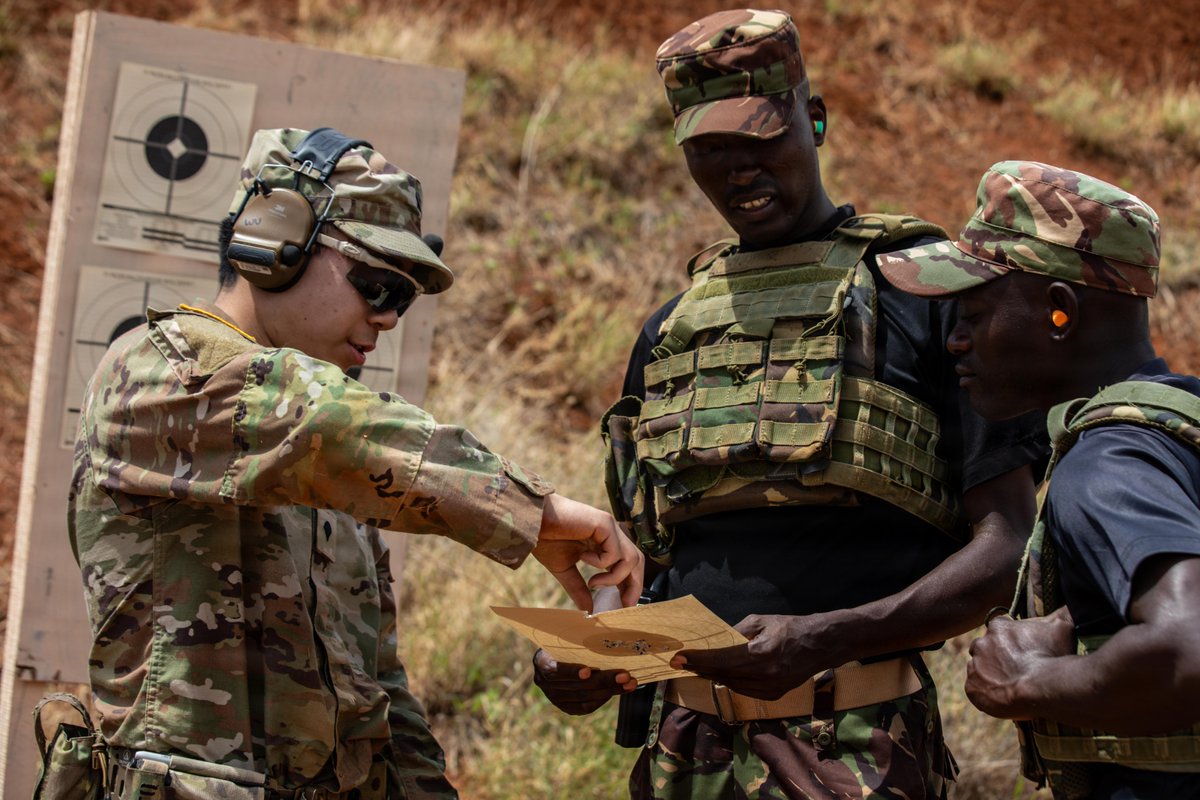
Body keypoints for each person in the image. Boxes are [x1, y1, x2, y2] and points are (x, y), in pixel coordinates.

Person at [532, 10, 1046, 799]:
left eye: (761, 138)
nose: (738, 172)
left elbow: (1006, 546)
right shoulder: (671, 330)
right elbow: (645, 562)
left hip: (858, 750)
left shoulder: (925, 295)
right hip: (684, 752)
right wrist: (593, 652)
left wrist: (822, 639)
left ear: (814, 119)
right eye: (709, 151)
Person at [66, 126, 643, 800]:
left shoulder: (345, 453)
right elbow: (314, 420)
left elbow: (379, 694)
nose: (389, 318)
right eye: (373, 284)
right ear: (274, 238)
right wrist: (528, 512)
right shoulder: (158, 372)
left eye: (401, 298)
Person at [878, 160, 1200, 799]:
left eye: (971, 312)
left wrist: (1022, 683)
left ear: (1060, 312)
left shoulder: (1108, 462)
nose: (955, 342)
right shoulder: (1178, 427)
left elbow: (1187, 646)